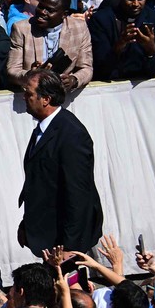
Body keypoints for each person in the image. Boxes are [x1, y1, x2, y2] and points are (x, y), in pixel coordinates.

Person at [18, 69, 102, 256]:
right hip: (47, 234)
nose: (24, 97)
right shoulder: (42, 130)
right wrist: (27, 224)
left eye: (29, 93)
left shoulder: (72, 134)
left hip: (64, 241)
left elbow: (78, 193)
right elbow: (38, 183)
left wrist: (70, 247)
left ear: (46, 99)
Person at [4, 0, 94, 93]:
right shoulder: (21, 29)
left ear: (64, 15)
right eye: (41, 7)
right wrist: (30, 74)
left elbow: (86, 68)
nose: (42, 12)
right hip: (31, 96)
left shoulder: (79, 28)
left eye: (49, 10)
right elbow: (12, 71)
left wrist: (73, 80)